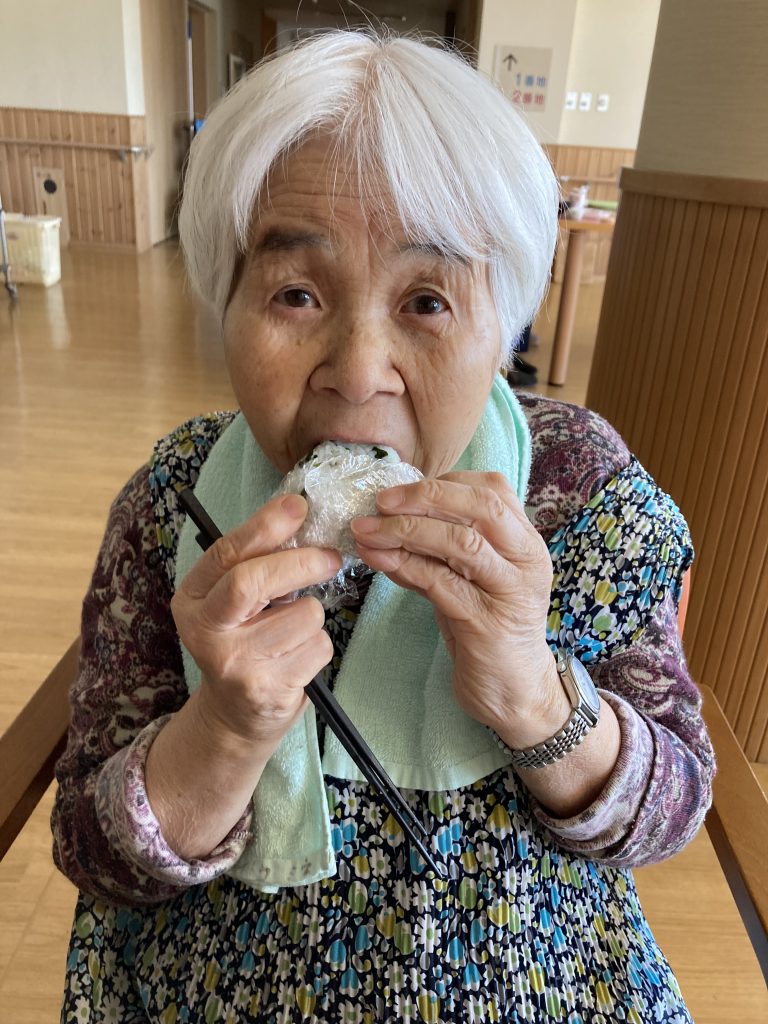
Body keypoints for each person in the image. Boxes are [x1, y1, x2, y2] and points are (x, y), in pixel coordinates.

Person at [52, 30, 714, 1024]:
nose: (359, 372)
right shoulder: (175, 502)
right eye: (297, 293)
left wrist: (536, 696)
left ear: (505, 325)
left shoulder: (581, 489)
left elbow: (670, 809)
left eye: (428, 299)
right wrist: (222, 728)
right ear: (222, 302)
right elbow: (94, 853)